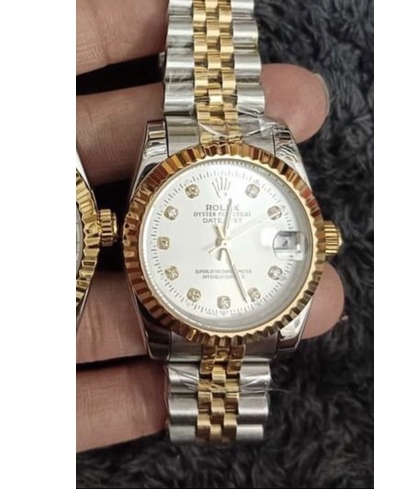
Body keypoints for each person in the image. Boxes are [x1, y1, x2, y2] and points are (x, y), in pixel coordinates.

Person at [76, 0, 345, 453]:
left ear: (322, 238)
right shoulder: (186, 147)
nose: (222, 241)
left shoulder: (268, 146)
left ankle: (218, 423)